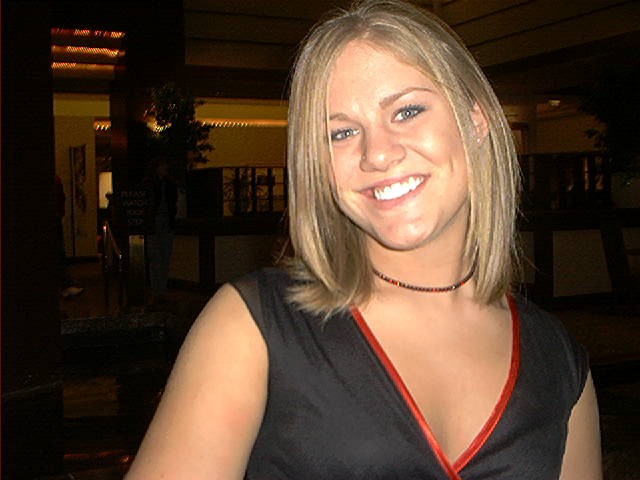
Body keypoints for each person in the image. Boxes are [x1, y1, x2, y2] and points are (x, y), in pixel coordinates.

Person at [125, 1, 602, 478]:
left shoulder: (557, 358)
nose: (377, 154)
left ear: (476, 120)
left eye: (407, 111)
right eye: (341, 133)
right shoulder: (252, 328)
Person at [144, 157, 178, 304]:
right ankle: (157, 290)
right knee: (156, 257)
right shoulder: (152, 184)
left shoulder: (168, 184)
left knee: (164, 257)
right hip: (156, 221)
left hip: (165, 221)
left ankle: (160, 290)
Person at [55, 174, 84, 299]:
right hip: (55, 218)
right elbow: (61, 199)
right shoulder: (56, 180)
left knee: (58, 252)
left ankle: (65, 284)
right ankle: (66, 284)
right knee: (58, 252)